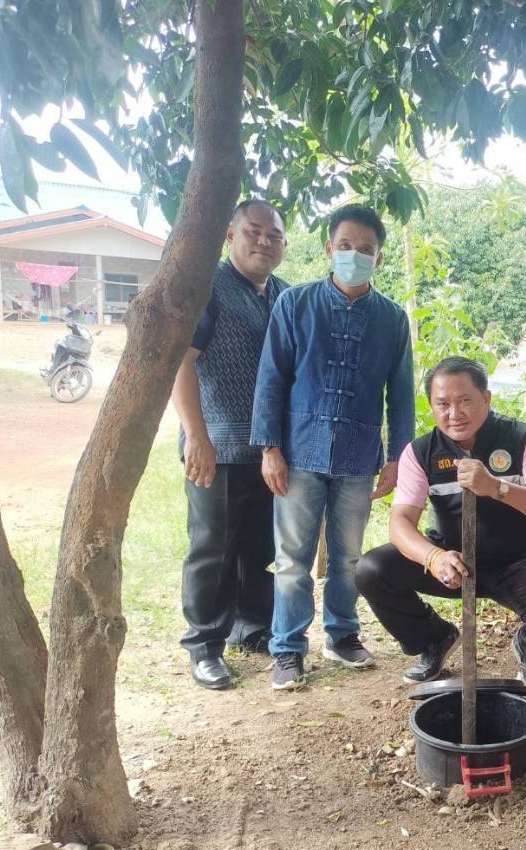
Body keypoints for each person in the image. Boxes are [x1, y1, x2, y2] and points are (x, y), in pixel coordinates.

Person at [251, 203, 414, 691]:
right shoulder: (294, 304)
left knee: (348, 558)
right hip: (298, 452)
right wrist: (269, 447)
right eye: (346, 246)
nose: (355, 255)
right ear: (329, 248)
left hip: (359, 457)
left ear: (378, 258)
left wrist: (397, 459)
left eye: (366, 249)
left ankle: (341, 635)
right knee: (292, 560)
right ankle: (287, 648)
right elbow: (271, 379)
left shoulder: (392, 319)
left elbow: (401, 394)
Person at [355, 357, 526, 688]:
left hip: (519, 562)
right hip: (453, 561)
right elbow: (400, 522)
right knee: (371, 570)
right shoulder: (421, 452)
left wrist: (497, 487)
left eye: (465, 401)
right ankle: (434, 638)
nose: (455, 413)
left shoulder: (525, 438)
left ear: (486, 398)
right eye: (443, 404)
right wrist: (434, 558)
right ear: (432, 406)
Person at [171, 198, 288, 690]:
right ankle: (204, 644)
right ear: (230, 235)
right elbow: (181, 361)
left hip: (269, 452)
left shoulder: (283, 295)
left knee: (259, 546)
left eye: (274, 235)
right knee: (213, 549)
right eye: (254, 231)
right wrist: (196, 436)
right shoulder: (210, 289)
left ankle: (252, 627)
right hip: (216, 448)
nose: (264, 241)